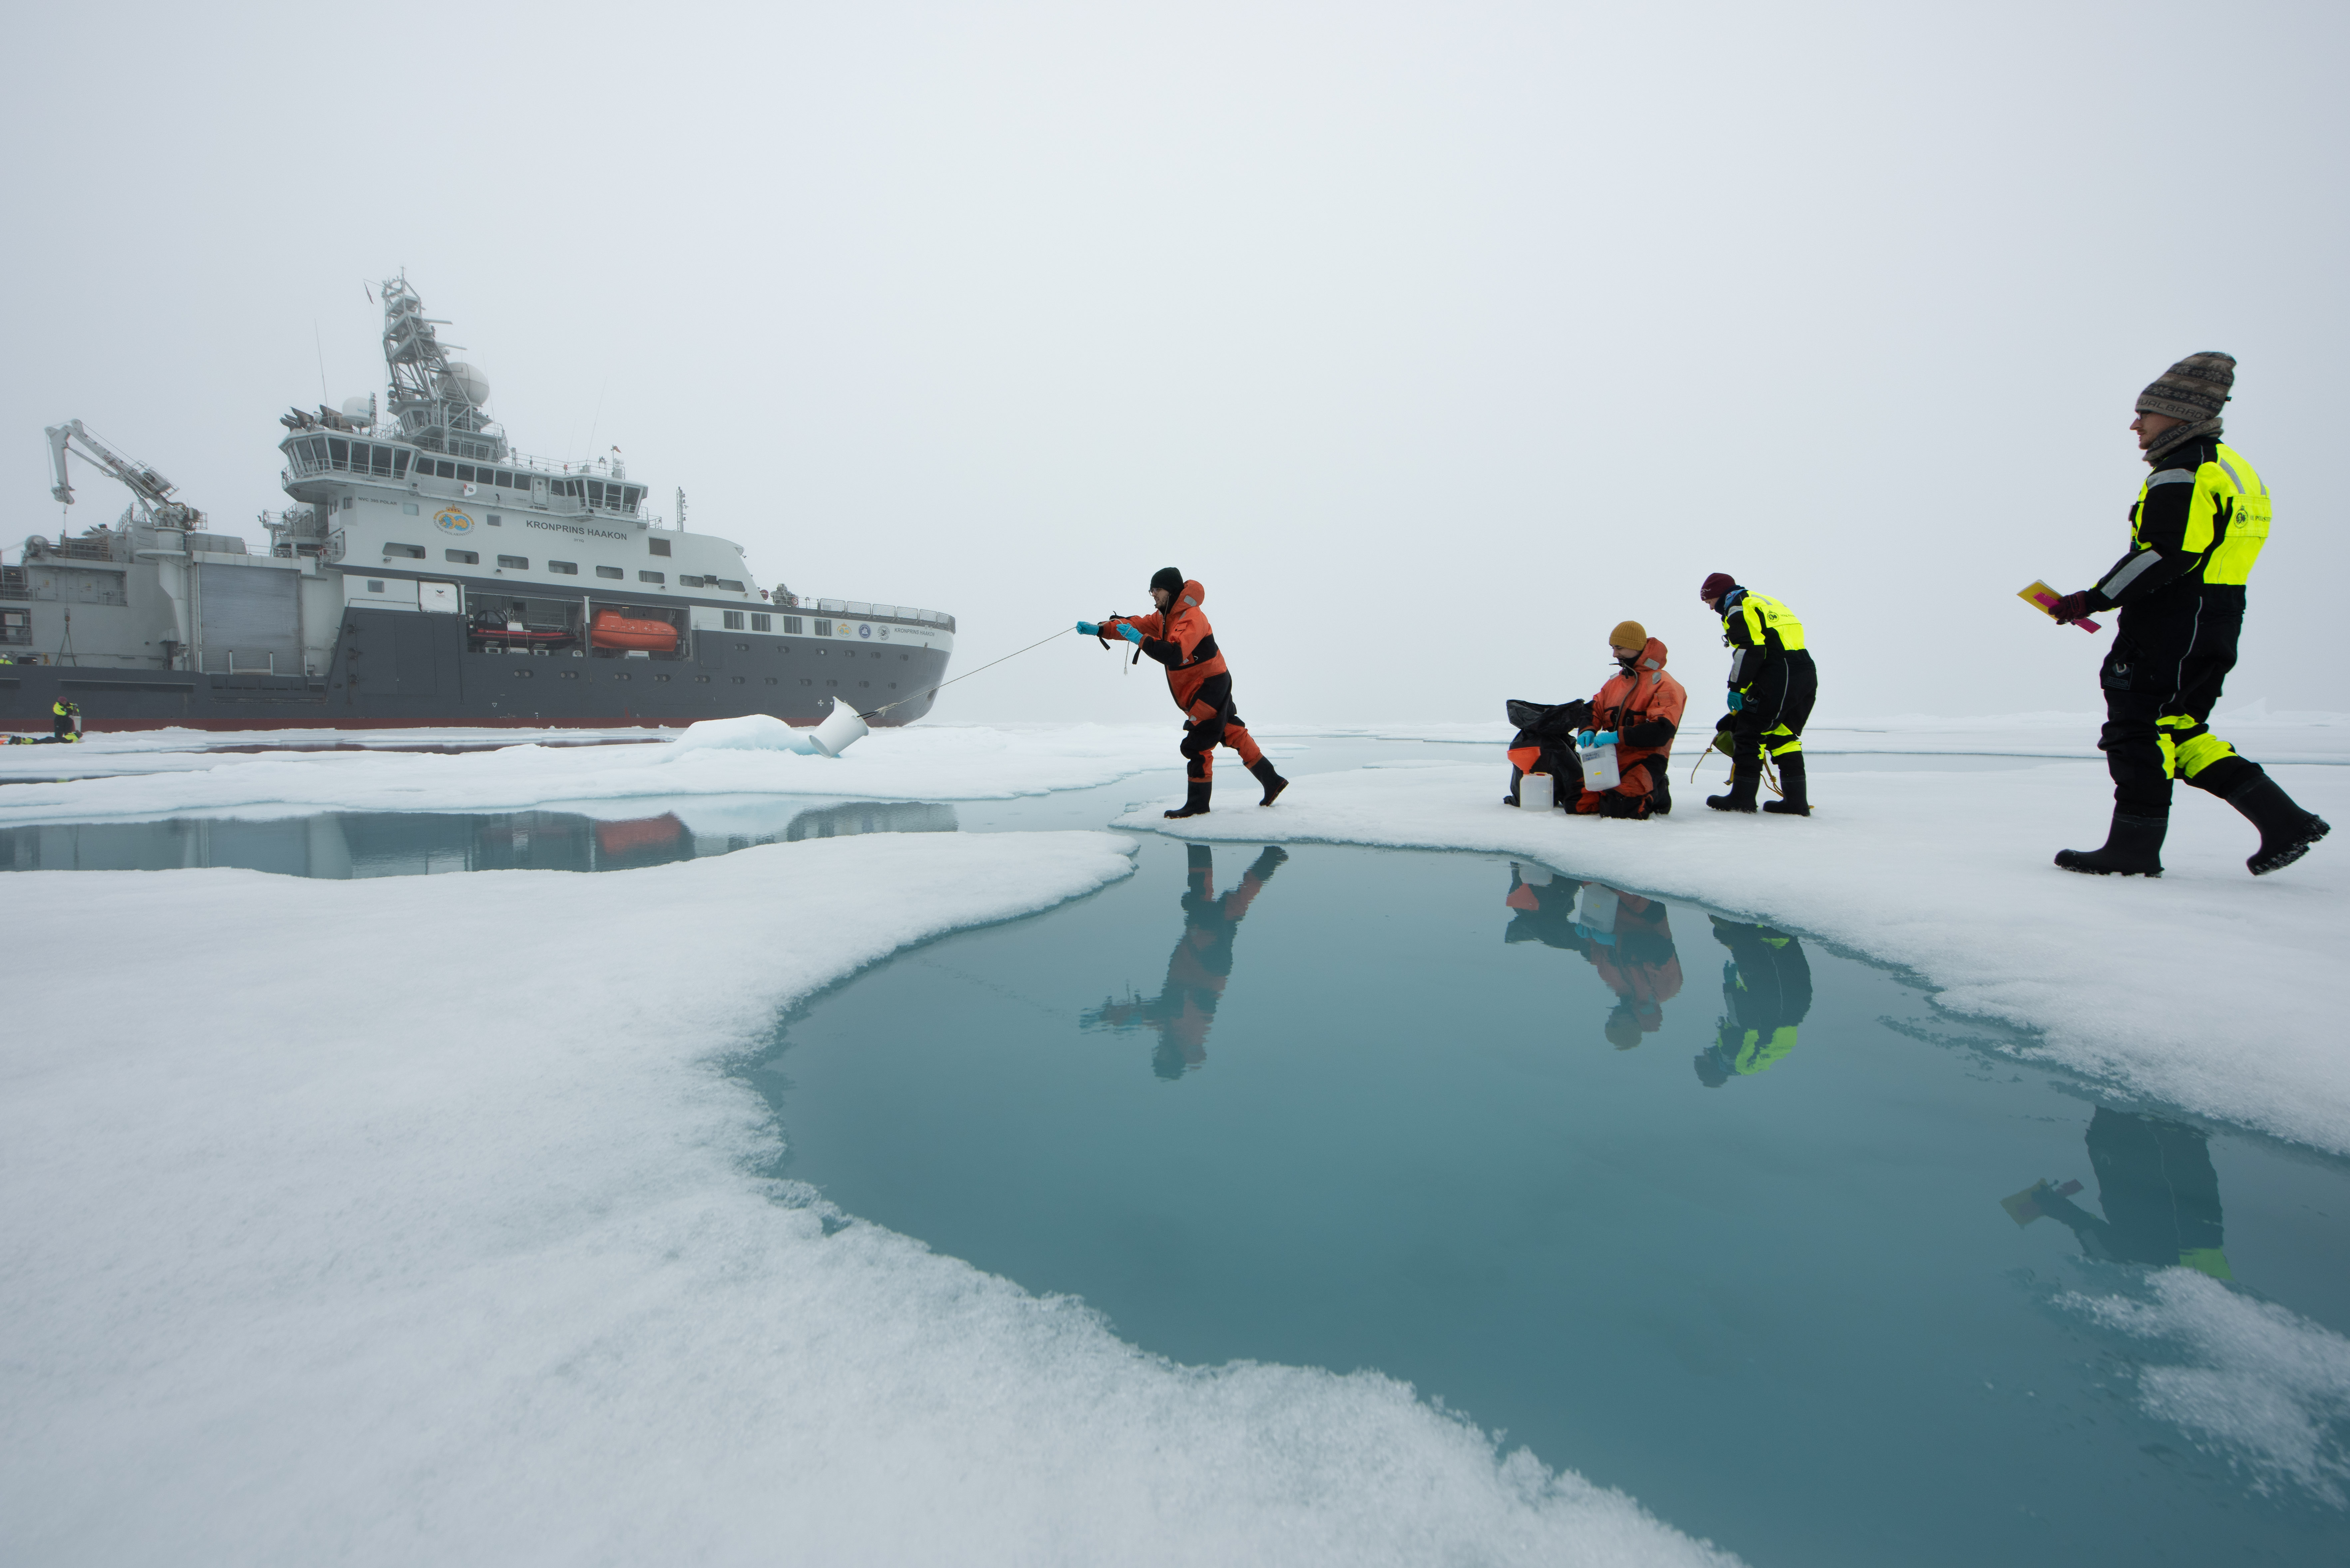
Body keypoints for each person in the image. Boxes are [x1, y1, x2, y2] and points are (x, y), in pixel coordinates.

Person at [2045, 353, 2329, 877]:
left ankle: (2132, 848)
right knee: (2179, 728)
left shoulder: (2183, 471)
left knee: (2137, 727)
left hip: (2174, 621)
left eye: (2145, 414)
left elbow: (2167, 553)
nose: (2136, 425)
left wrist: (2093, 599)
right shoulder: (2232, 468)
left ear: (2178, 415)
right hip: (2217, 614)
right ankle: (2284, 820)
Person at [1082, 569, 1287, 819]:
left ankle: (1198, 805)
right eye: (1151, 591)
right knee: (1231, 731)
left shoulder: (1191, 618)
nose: (1153, 595)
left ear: (1171, 590)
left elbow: (1174, 654)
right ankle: (1272, 781)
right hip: (1207, 685)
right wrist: (1100, 630)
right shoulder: (1164, 619)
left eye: (1157, 590)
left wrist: (1140, 640)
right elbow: (1134, 624)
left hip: (1208, 688)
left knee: (1196, 745)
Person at [1084, 843, 1287, 1078]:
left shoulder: (1174, 1035)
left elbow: (1156, 1017)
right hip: (1205, 960)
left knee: (1234, 906)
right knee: (1200, 901)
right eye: (1164, 1056)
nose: (1160, 1050)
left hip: (1211, 963)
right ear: (1176, 1057)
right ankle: (1199, 845)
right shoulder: (1188, 1034)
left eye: (1157, 1054)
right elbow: (1173, 1008)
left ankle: (1272, 856)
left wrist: (1110, 1016)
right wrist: (1135, 1015)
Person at [2008, 1108, 2230, 1279]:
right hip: (2193, 1238)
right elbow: (2094, 1236)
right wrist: (2061, 1210)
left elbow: (2096, 1238)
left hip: (2197, 1238)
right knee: (2174, 1142)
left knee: (2180, 1144)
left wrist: (2061, 1210)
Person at [1504, 622, 1685, 817]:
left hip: (1646, 759)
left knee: (1622, 808)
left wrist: (1616, 736)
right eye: (1613, 648)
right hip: (1610, 759)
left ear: (1636, 646)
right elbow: (1593, 709)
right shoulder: (1616, 683)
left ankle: (1657, 790)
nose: (1615, 655)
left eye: (1619, 648)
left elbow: (1662, 731)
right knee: (1576, 803)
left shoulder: (1664, 685)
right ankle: (1613, 794)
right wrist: (1588, 729)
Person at [1502, 865, 1684, 1046]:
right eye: (1615, 1023)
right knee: (1601, 877)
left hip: (1608, 908)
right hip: (1640, 907)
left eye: (1609, 1022)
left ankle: (1530, 915)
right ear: (1634, 1026)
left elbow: (1597, 956)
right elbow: (1661, 948)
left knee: (1541, 923)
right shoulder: (1665, 989)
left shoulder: (1620, 988)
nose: (1612, 1017)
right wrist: (1614, 941)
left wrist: (1585, 941)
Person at [1697, 574, 1815, 815]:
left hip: (1780, 673)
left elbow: (1750, 649)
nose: (1710, 608)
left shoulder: (1738, 606)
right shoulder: (1765, 601)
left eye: (1708, 601)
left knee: (1749, 734)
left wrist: (1736, 688)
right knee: (1783, 735)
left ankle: (1742, 799)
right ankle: (1795, 802)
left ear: (1718, 594)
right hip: (1804, 672)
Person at [1693, 916, 1812, 1087]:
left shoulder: (1747, 1066)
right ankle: (1748, 916)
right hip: (1778, 1007)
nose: (1705, 1051)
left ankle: (1778, 919)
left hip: (1795, 1010)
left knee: (1784, 946)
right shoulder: (1729, 1055)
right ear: (1711, 1066)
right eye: (1703, 1058)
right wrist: (1730, 986)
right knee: (1749, 945)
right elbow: (1740, 1017)